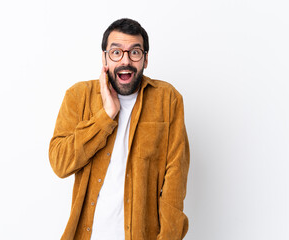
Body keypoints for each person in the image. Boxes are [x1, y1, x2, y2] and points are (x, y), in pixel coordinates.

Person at [49, 18, 190, 240]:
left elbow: (175, 180)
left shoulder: (168, 99)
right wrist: (105, 116)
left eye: (135, 52)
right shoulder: (78, 96)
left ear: (145, 59)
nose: (125, 60)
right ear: (105, 57)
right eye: (116, 52)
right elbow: (60, 163)